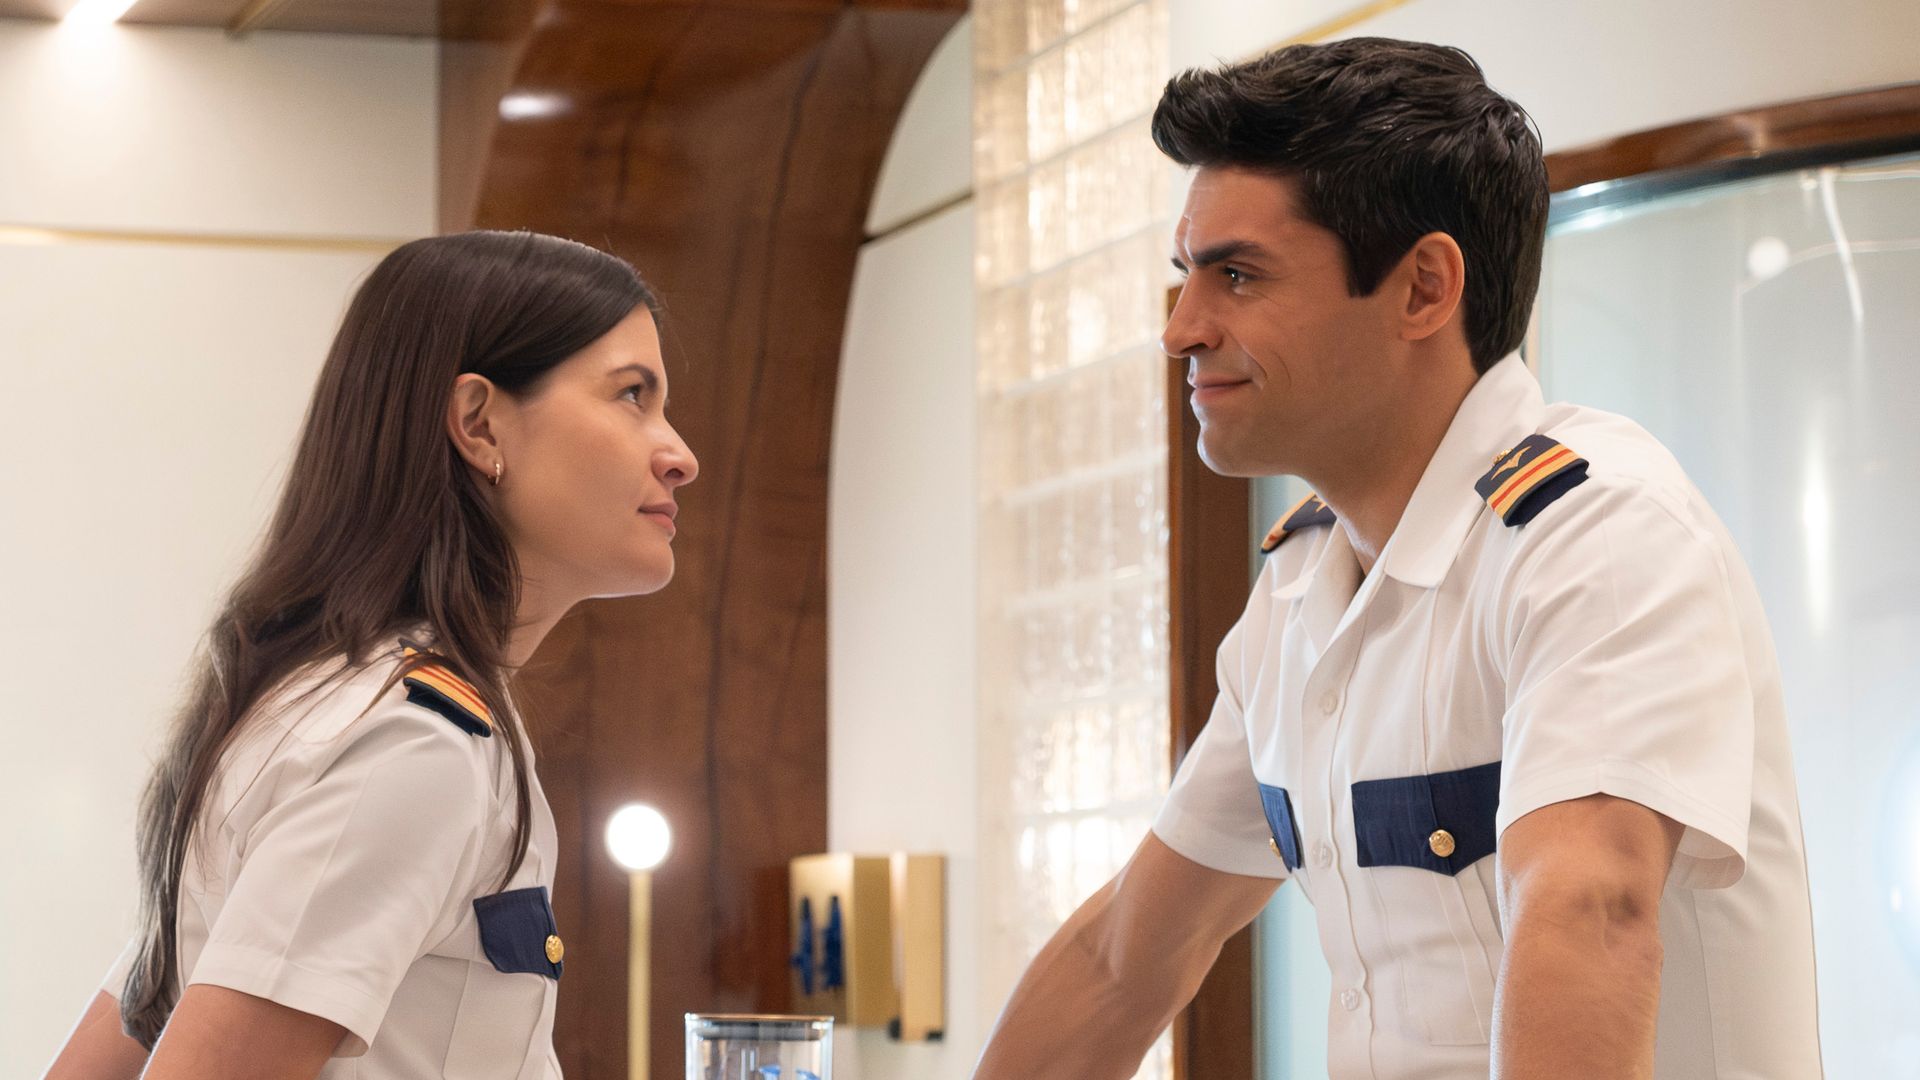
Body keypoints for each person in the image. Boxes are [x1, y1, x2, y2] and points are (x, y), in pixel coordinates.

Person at [975, 38, 1821, 1079]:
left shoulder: (1596, 533)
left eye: (1237, 274)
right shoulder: (1298, 596)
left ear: (1424, 287)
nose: (1182, 329)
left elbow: (1589, 911)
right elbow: (1127, 962)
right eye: (1185, 277)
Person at [43, 230, 698, 1080]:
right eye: (631, 396)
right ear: (478, 424)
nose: (679, 454)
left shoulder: (324, 706)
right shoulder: (413, 742)